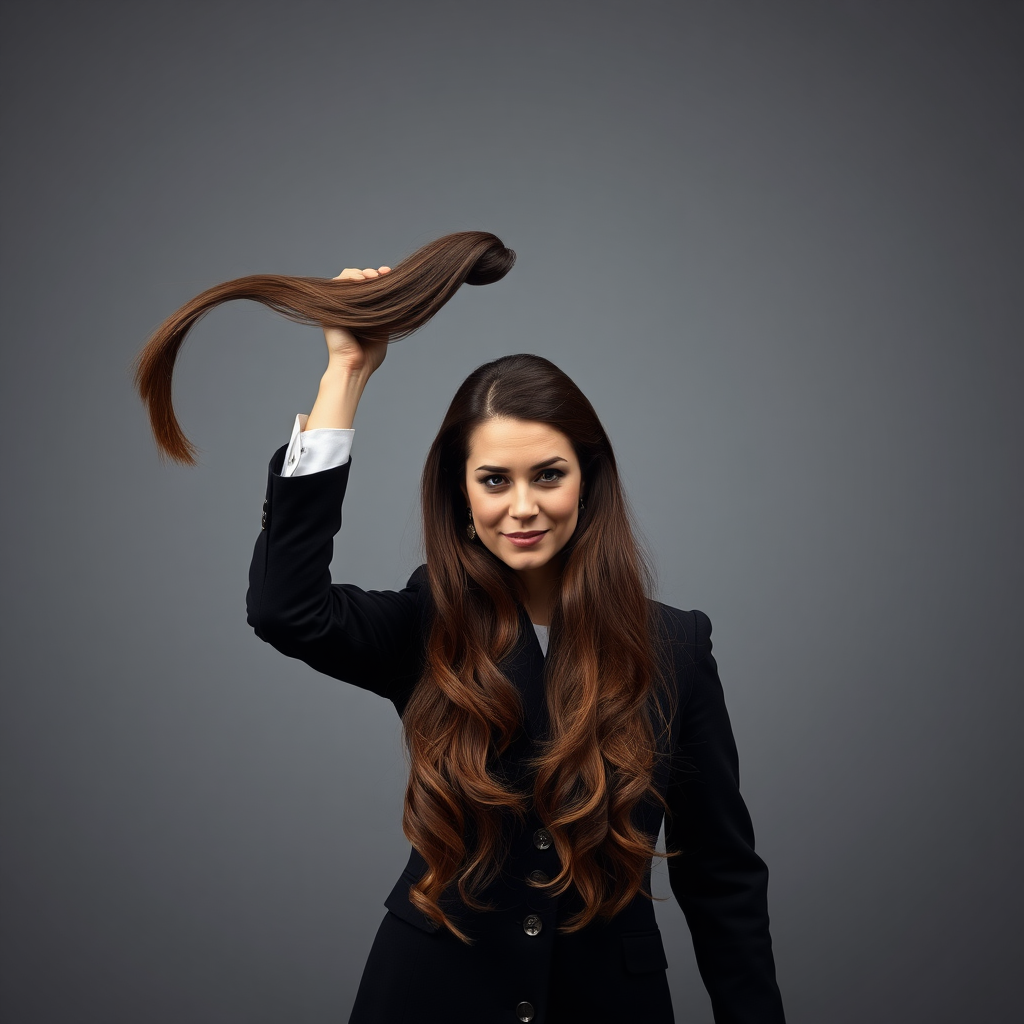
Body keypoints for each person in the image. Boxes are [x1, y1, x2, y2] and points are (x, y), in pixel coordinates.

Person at [243, 264, 786, 1023]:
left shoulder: (674, 645)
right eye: (495, 480)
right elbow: (284, 608)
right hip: (429, 997)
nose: (523, 507)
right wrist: (346, 372)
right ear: (461, 495)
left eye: (549, 476)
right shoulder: (426, 620)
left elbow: (722, 877)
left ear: (587, 483)